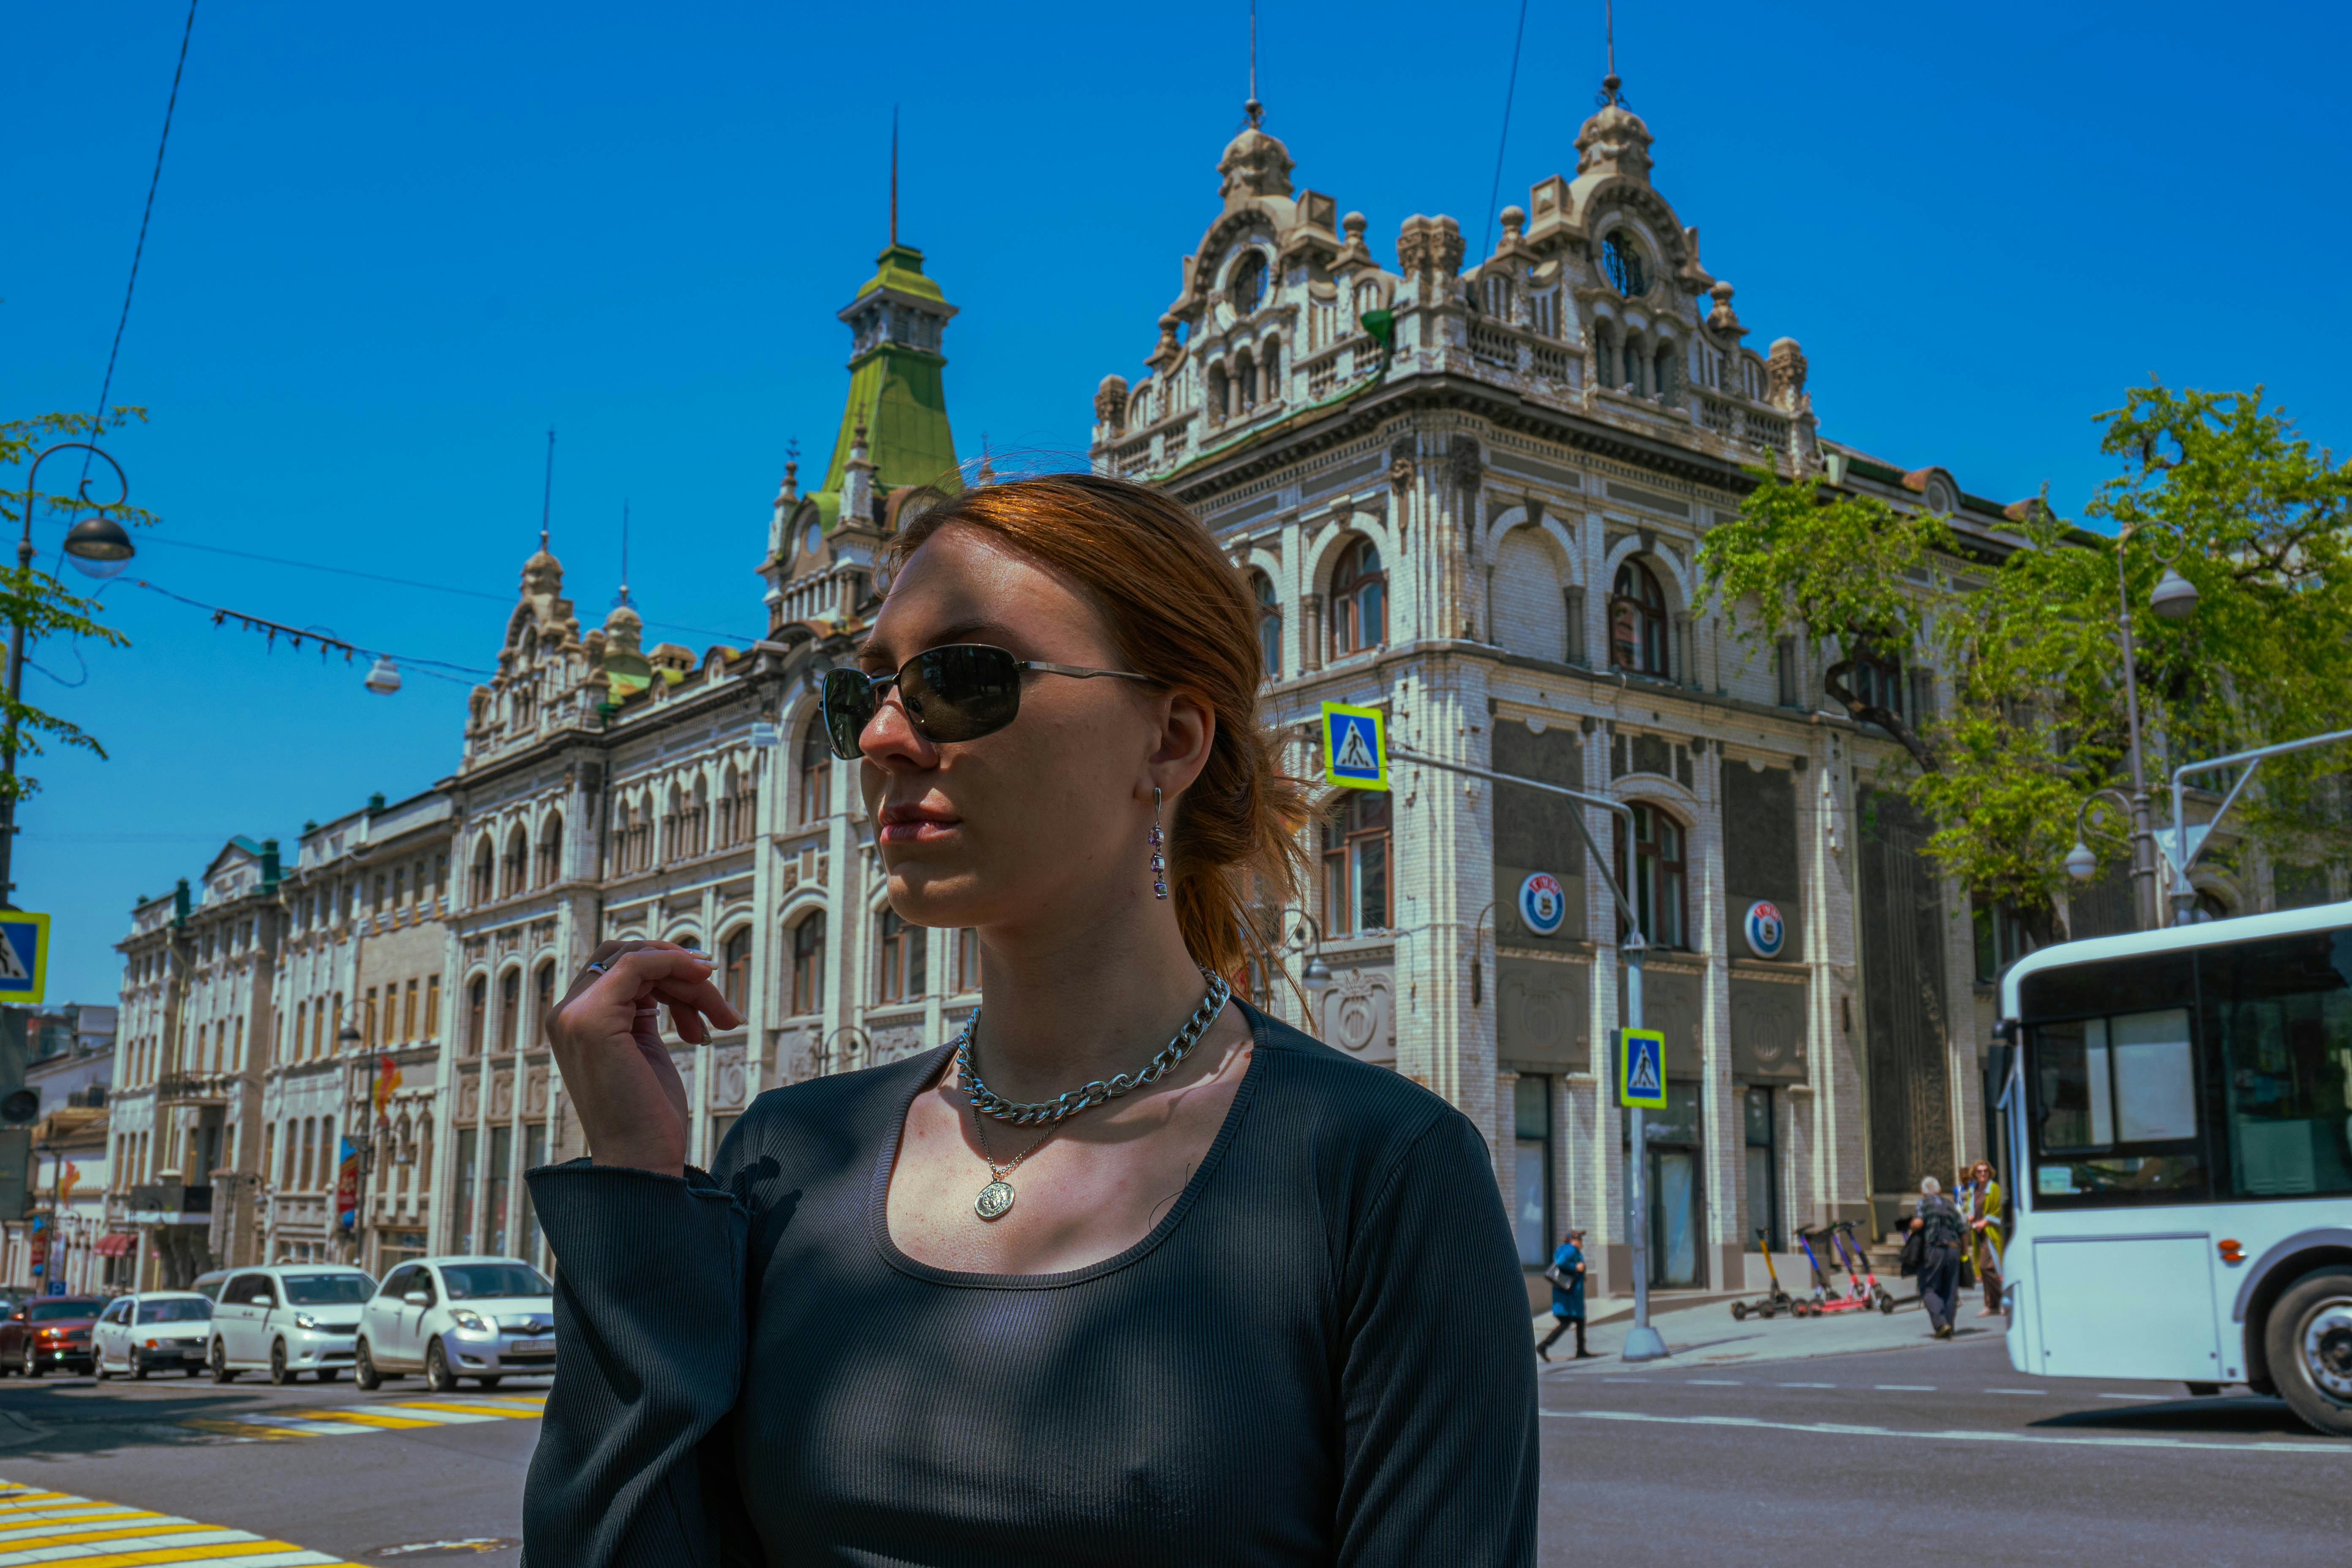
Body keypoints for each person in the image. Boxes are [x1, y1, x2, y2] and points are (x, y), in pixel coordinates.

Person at [523, 474, 1540, 1567]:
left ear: (1170, 739)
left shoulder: (1382, 1175)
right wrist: (634, 1180)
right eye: (864, 696)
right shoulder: (790, 1156)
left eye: (964, 679)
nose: (881, 739)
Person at [1910, 1175, 1966, 1339]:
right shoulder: (1951, 1205)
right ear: (1940, 1190)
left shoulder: (1924, 1203)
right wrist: (1964, 1253)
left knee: (1928, 1288)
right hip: (1954, 1249)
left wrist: (1912, 1225)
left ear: (1923, 1192)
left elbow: (1919, 1223)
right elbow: (1963, 1230)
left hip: (1934, 1249)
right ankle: (1950, 1326)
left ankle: (1941, 1324)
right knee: (1950, 1289)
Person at [1536, 1226, 1596, 1361]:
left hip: (1570, 1296)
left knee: (1580, 1321)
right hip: (1569, 1298)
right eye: (1579, 1239)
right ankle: (1543, 1346)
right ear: (1573, 1241)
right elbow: (1561, 1262)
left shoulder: (1569, 1250)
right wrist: (1575, 1267)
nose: (1582, 1242)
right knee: (1567, 1322)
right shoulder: (1570, 1250)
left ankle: (1581, 1350)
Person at [1961, 1158, 2005, 1317]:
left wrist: (1985, 1222)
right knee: (1986, 1269)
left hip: (1991, 1233)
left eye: (1985, 1171)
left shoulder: (1994, 1188)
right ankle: (1991, 1306)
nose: (1983, 1174)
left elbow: (1998, 1211)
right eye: (1979, 1171)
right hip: (1978, 1233)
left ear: (1989, 1173)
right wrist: (1970, 1215)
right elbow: (1968, 1208)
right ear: (1975, 1173)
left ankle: (2004, 1299)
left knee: (1985, 1266)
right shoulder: (1973, 1190)